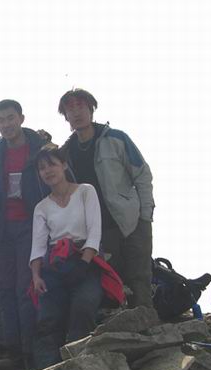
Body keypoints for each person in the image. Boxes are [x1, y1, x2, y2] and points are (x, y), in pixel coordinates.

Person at [0, 99, 48, 369]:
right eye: (1, 120)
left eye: (10, 118)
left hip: (31, 225)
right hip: (0, 228)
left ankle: (29, 351)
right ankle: (13, 349)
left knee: (25, 288)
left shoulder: (39, 150)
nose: (6, 124)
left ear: (21, 118)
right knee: (4, 288)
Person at [58, 88, 155, 308]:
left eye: (81, 106)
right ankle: (122, 328)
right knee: (113, 280)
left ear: (91, 109)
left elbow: (142, 174)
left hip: (131, 221)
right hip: (99, 229)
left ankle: (148, 324)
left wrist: (145, 215)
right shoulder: (67, 152)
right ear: (65, 116)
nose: (76, 112)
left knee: (140, 278)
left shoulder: (115, 139)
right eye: (70, 109)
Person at [29, 148, 107, 369]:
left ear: (64, 165)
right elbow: (38, 245)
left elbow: (94, 231)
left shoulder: (85, 191)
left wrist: (84, 263)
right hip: (55, 264)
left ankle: (77, 366)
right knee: (48, 317)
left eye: (52, 164)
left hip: (85, 259)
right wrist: (36, 276)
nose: (47, 171)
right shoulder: (41, 207)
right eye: (42, 168)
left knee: (83, 307)